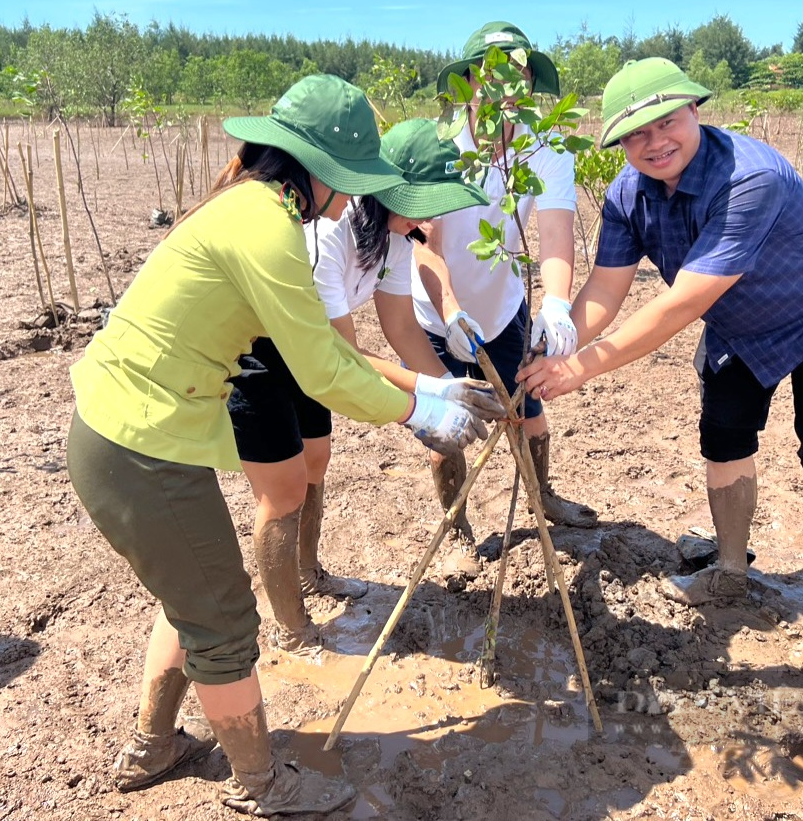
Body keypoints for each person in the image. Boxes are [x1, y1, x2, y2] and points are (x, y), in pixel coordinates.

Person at [66, 75, 492, 815]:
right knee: (225, 620)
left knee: (191, 596)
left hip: (131, 431)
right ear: (321, 172)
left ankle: (152, 746)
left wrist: (433, 388)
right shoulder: (269, 226)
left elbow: (352, 349)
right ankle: (261, 786)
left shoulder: (254, 207)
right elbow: (323, 367)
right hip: (139, 447)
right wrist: (420, 411)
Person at [518, 58, 803, 688]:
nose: (654, 143)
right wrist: (557, 339)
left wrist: (577, 370)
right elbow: (606, 285)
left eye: (667, 123)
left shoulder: (750, 176)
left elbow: (682, 303)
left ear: (695, 112)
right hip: (739, 327)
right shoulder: (628, 195)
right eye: (634, 135)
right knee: (724, 440)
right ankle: (730, 569)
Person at [227, 117, 506, 647]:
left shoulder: (395, 240)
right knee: (281, 492)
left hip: (311, 354)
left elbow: (401, 328)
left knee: (316, 463)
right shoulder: (331, 232)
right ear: (393, 190)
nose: (436, 215)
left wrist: (449, 382)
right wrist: (428, 397)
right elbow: (343, 355)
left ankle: (310, 574)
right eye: (428, 201)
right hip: (259, 354)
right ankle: (292, 629)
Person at [412, 21, 598, 562]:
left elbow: (557, 232)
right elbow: (426, 247)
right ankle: (457, 522)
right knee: (448, 422)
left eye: (516, 77)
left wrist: (557, 303)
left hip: (504, 302)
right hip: (436, 310)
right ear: (468, 85)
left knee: (527, 407)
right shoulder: (443, 146)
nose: (505, 91)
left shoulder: (548, 143)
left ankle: (542, 497)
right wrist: (450, 312)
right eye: (491, 77)